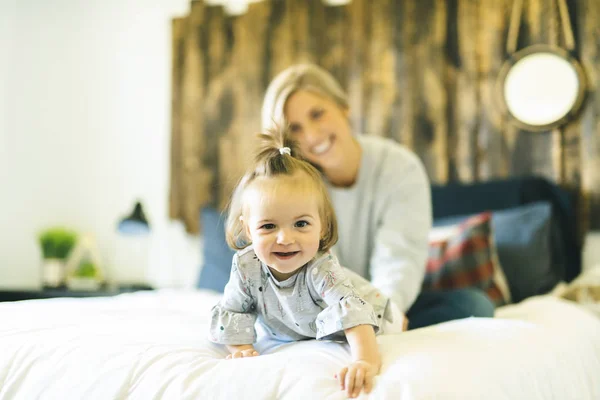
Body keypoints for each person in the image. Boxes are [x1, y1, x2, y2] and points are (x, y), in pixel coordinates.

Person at [261, 63, 495, 330]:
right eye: (296, 129)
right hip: (325, 305)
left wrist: (384, 314)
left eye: (317, 114)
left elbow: (399, 257)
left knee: (475, 306)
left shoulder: (399, 167)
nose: (312, 135)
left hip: (387, 299)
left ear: (343, 107)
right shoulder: (293, 187)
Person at [209, 127, 405, 398]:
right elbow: (234, 313)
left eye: (301, 224)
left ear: (322, 227)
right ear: (248, 230)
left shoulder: (320, 268)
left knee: (394, 321)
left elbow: (355, 316)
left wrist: (364, 361)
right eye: (268, 226)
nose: (285, 238)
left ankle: (400, 316)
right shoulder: (246, 267)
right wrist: (240, 349)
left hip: (367, 303)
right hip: (299, 327)